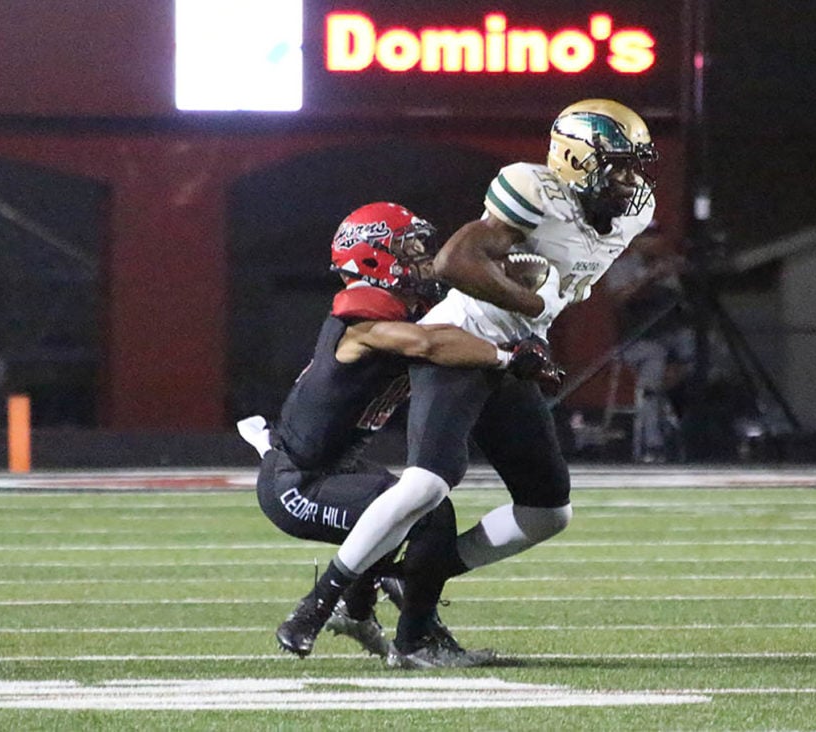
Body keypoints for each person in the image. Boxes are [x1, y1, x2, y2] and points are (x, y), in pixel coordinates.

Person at [276, 99, 660, 668]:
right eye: (619, 165)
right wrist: (530, 299)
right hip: (460, 340)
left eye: (635, 165)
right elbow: (454, 261)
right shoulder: (534, 190)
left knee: (547, 512)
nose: (631, 180)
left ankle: (405, 578)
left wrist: (534, 316)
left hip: (517, 351)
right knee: (429, 483)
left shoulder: (635, 212)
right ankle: (319, 604)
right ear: (577, 159)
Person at [238, 201, 559, 663]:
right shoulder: (363, 319)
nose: (422, 260)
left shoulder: (404, 308)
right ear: (373, 259)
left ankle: (369, 609)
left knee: (419, 507)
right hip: (297, 483)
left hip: (338, 469)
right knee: (430, 517)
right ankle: (401, 634)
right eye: (408, 249)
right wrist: (507, 356)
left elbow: (453, 321)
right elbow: (429, 342)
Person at [604, 222, 694, 462]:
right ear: (634, 240)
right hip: (636, 343)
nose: (653, 241)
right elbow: (620, 298)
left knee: (696, 349)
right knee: (654, 366)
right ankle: (653, 444)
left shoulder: (671, 267)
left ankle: (689, 432)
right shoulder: (621, 268)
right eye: (646, 236)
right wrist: (649, 278)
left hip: (672, 341)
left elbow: (685, 307)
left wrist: (680, 275)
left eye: (656, 235)